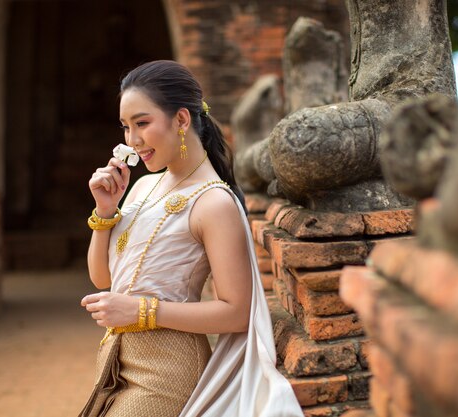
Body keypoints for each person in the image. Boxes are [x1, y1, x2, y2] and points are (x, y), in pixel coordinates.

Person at [79, 60, 303, 417]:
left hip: (168, 372)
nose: (132, 141)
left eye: (142, 123)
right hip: (115, 362)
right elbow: (104, 280)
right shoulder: (141, 187)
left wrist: (138, 310)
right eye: (126, 127)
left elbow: (236, 311)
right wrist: (105, 212)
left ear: (181, 120)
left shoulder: (213, 202)